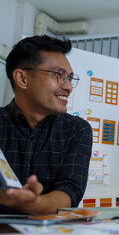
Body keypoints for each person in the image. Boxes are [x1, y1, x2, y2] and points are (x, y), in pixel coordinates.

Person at [0, 35, 92, 215]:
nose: (68, 87)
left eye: (70, 78)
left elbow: (70, 190)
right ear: (22, 79)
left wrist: (35, 203)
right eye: (59, 75)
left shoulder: (77, 130)